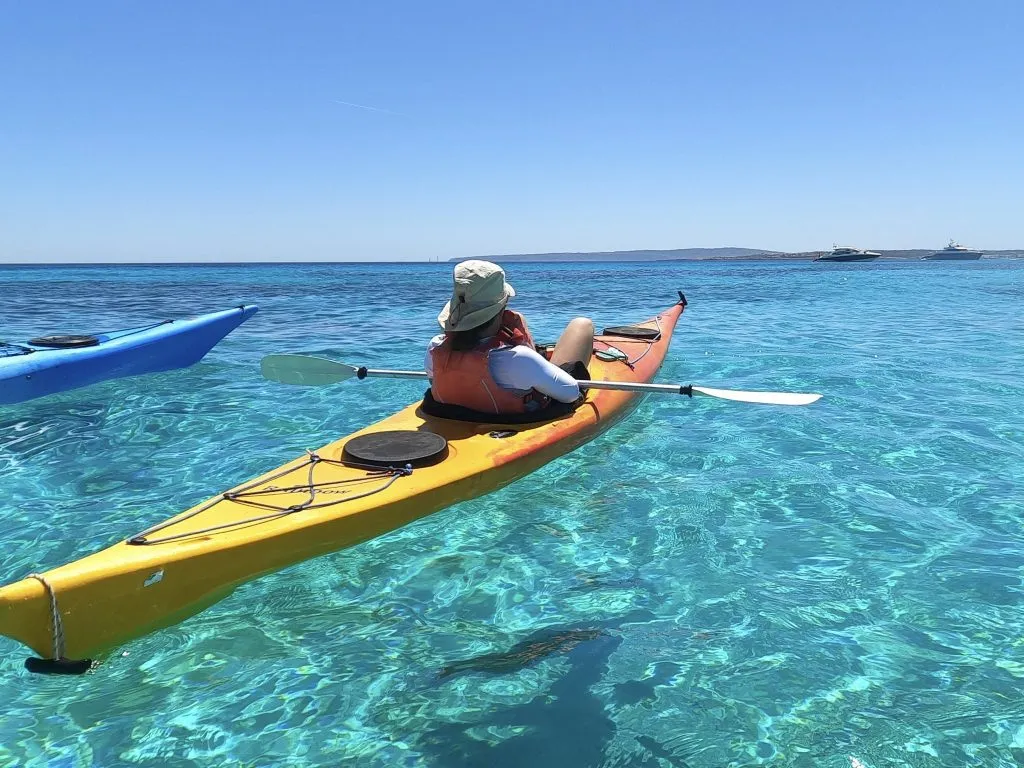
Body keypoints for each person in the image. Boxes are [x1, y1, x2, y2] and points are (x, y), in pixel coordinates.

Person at [425, 260, 594, 415]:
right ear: (501, 309)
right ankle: (541, 370)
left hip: (455, 416)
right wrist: (527, 348)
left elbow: (436, 384)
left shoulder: (435, 347)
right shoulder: (517, 358)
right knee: (582, 325)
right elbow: (571, 393)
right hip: (514, 416)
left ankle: (539, 370)